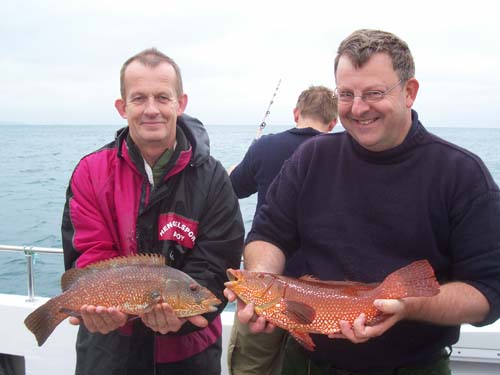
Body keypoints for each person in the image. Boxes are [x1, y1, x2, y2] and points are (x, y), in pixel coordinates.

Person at [224, 29, 500, 375]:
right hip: (308, 365)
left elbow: (488, 292)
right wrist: (264, 281)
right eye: (346, 94)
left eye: (374, 93)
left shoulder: (462, 173)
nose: (358, 108)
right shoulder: (311, 158)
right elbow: (268, 233)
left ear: (409, 92)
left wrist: (407, 305)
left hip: (414, 368)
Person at [61, 48, 244, 375]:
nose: (151, 110)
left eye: (162, 97)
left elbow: (217, 262)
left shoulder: (213, 178)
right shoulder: (90, 172)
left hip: (190, 355)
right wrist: (100, 309)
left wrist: (180, 320)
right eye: (139, 98)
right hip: (108, 352)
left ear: (181, 103)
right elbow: (88, 253)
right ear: (122, 107)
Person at [227, 86, 338, 375]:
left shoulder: (265, 147)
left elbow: (234, 189)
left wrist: (238, 166)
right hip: (316, 296)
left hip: (265, 285)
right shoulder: (341, 155)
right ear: (333, 122)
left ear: (296, 113)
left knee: (253, 366)